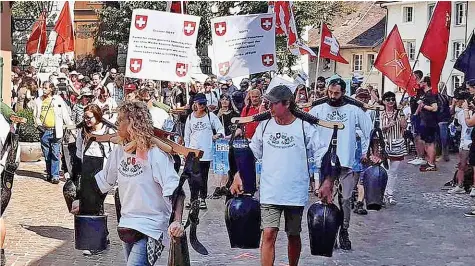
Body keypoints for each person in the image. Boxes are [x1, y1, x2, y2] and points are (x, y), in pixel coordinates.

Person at [230, 85, 320, 266]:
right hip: (270, 190)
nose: (268, 107)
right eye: (267, 103)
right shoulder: (264, 126)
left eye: (272, 103)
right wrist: (239, 175)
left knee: (293, 234)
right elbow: (253, 152)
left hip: (295, 191)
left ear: (287, 104)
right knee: (269, 232)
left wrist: (323, 182)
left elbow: (320, 153)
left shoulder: (304, 126)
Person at [93, 101, 184, 265]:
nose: (116, 123)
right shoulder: (119, 151)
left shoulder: (155, 154)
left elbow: (177, 191)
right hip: (127, 225)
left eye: (120, 120)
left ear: (132, 123)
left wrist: (177, 220)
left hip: (152, 228)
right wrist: (83, 202)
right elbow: (104, 182)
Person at [309, 78, 373, 250]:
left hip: (346, 161)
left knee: (345, 199)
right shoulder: (318, 109)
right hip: (325, 162)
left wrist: (367, 151)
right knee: (325, 198)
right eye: (330, 92)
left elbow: (368, 130)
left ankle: (344, 230)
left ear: (343, 92)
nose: (332, 96)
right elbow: (307, 130)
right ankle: (328, 230)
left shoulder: (354, 110)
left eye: (336, 93)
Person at [184, 93, 224, 209]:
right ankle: (193, 199)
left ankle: (202, 198)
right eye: (199, 103)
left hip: (206, 152)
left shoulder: (211, 116)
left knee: (203, 177)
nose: (202, 105)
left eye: (204, 103)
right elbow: (187, 135)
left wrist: (218, 135)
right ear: (195, 104)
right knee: (192, 177)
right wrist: (186, 150)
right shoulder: (190, 117)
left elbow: (220, 128)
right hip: (193, 151)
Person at [33, 83, 74, 184]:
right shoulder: (39, 100)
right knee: (47, 154)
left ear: (51, 89)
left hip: (56, 130)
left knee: (55, 153)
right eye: (43, 88)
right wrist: (38, 125)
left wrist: (71, 128)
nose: (44, 90)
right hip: (44, 131)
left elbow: (65, 114)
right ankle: (49, 173)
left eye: (46, 88)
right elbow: (35, 115)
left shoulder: (57, 99)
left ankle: (55, 176)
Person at [380, 91, 408, 205]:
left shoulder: (399, 112)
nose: (391, 101)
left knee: (393, 172)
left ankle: (389, 194)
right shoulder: (381, 114)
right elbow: (379, 129)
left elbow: (404, 126)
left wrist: (401, 115)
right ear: (384, 101)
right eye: (388, 100)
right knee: (384, 171)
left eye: (392, 99)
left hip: (397, 144)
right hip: (385, 145)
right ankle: (382, 194)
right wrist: (387, 125)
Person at [212, 94, 240, 198]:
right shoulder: (214, 114)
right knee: (218, 163)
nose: (224, 101)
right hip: (218, 143)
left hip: (231, 142)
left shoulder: (235, 113)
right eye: (222, 99)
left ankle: (228, 184)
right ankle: (219, 186)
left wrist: (230, 136)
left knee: (229, 163)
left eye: (226, 99)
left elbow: (239, 127)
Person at [417, 76, 438, 172]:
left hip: (429, 122)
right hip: (425, 121)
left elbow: (435, 108)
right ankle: (429, 161)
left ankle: (431, 163)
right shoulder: (426, 94)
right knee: (426, 142)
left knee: (430, 143)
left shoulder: (430, 94)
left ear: (425, 83)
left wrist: (423, 105)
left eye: (421, 81)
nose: (419, 83)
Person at [407, 70, 426, 165]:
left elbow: (421, 102)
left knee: (418, 136)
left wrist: (416, 113)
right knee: (415, 135)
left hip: (418, 115)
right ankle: (418, 155)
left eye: (413, 76)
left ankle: (421, 156)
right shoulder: (414, 89)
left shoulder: (420, 89)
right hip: (413, 114)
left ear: (417, 77)